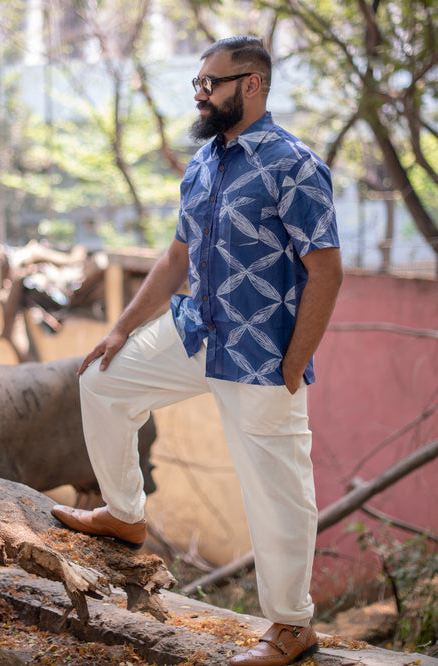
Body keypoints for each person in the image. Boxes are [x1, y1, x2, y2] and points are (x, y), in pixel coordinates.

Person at [53, 35, 343, 666]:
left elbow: (326, 271)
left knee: (277, 488)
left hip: (264, 353)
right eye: (198, 83)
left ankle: (292, 626)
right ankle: (127, 515)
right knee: (102, 381)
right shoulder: (206, 161)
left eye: (212, 83)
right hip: (197, 330)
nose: (201, 93)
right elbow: (177, 257)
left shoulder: (294, 164)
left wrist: (293, 364)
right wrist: (122, 329)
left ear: (253, 85)